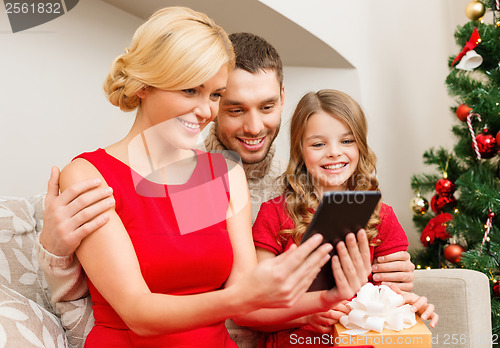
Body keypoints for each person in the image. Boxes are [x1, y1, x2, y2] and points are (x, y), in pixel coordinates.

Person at [37, 31, 414, 346]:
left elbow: (233, 286)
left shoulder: (265, 184)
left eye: (213, 96)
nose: (252, 127)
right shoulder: (104, 175)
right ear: (144, 87)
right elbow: (139, 300)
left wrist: (378, 290)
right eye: (232, 107)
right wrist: (55, 252)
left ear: (283, 97)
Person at [251, 89, 438, 347]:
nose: (334, 152)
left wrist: (409, 306)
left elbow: (390, 299)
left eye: (347, 141)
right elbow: (253, 312)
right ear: (300, 151)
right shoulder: (274, 214)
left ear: (360, 145)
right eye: (318, 144)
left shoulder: (382, 217)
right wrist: (306, 313)